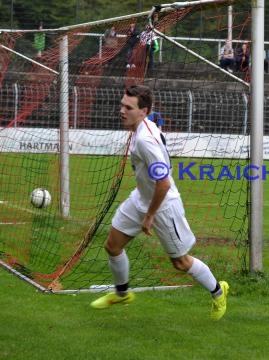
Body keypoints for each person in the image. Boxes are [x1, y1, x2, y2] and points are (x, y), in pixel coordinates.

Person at [90, 85, 229, 320]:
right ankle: (122, 294)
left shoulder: (145, 142)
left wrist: (150, 215)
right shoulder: (143, 125)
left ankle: (218, 292)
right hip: (141, 198)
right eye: (122, 105)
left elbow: (163, 184)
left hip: (163, 205)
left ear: (143, 111)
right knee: (113, 245)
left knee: (180, 263)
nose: (121, 110)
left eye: (128, 107)